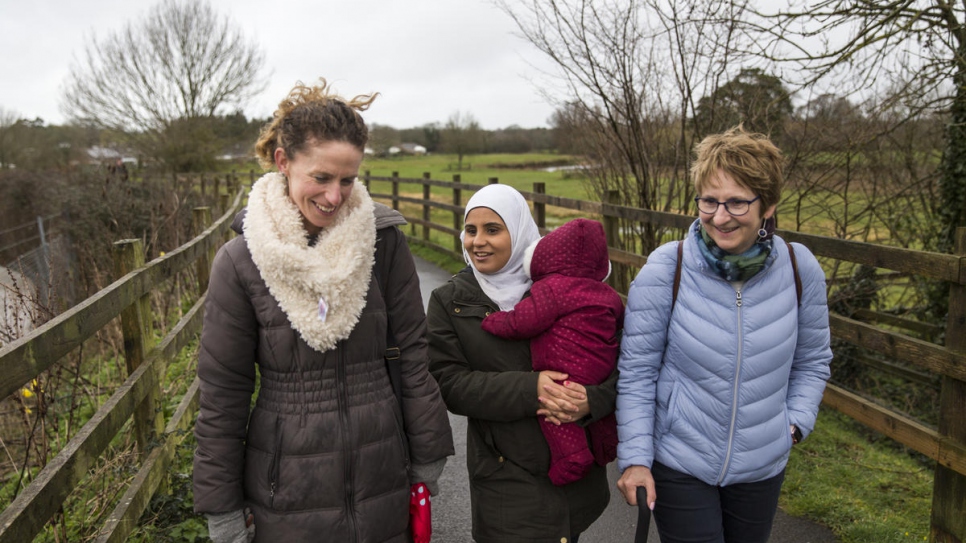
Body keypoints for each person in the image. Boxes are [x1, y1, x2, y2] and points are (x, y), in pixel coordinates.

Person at [192, 79, 454, 543]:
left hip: (383, 476)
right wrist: (222, 511)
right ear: (283, 162)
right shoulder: (240, 262)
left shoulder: (383, 243)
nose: (335, 196)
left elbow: (413, 351)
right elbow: (223, 393)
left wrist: (427, 451)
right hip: (286, 491)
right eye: (321, 177)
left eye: (348, 180)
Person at [615, 125, 833, 543]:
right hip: (680, 461)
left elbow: (813, 360)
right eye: (709, 201)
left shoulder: (800, 268)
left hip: (762, 465)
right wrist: (637, 459)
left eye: (736, 202)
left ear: (767, 205)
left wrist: (793, 424)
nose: (719, 216)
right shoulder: (666, 269)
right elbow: (638, 373)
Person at [427, 184, 615, 543]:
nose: (477, 241)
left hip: (577, 478)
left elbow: (616, 359)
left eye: (493, 230)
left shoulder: (562, 286)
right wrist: (532, 389)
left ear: (520, 230)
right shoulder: (450, 301)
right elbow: (448, 383)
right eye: (471, 230)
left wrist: (592, 400)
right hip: (505, 479)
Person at [480, 217, 624, 486]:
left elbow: (523, 322)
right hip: (601, 365)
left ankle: (572, 458)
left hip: (565, 369)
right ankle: (608, 443)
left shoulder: (550, 289)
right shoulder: (607, 293)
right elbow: (620, 323)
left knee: (556, 412)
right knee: (595, 414)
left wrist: (493, 321)